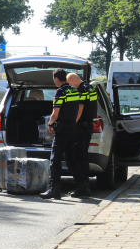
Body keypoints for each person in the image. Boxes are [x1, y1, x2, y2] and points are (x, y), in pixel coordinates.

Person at [40, 69, 89, 199]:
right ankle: (82, 186)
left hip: (62, 130)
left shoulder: (60, 92)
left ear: (56, 78)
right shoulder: (74, 90)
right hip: (73, 129)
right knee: (71, 159)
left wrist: (50, 124)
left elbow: (55, 114)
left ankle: (54, 188)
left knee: (55, 158)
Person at [67, 72, 98, 196]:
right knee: (84, 156)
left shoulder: (82, 90)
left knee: (78, 157)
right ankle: (85, 184)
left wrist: (71, 124)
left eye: (69, 84)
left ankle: (82, 187)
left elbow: (79, 111)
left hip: (81, 127)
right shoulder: (90, 88)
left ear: (75, 80)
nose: (70, 87)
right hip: (88, 126)